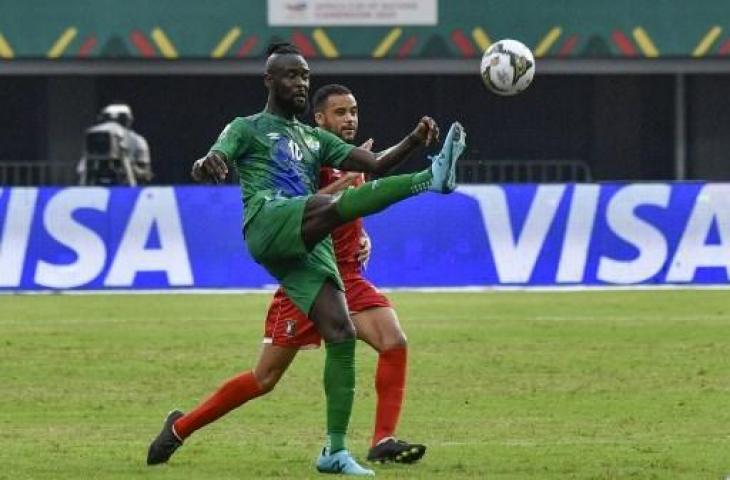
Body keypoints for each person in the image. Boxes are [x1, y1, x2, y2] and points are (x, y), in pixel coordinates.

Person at [147, 42, 466, 476]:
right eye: (291, 75)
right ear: (269, 81)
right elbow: (219, 153)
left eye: (304, 76)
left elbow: (372, 162)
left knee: (339, 332)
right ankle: (431, 178)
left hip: (309, 248)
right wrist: (209, 163)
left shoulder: (315, 139)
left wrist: (412, 139)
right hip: (268, 220)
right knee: (333, 210)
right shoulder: (248, 127)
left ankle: (333, 450)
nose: (299, 83)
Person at [264, 83, 426, 464]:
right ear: (319, 118)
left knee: (394, 341)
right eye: (341, 112)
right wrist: (348, 183)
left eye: (353, 111)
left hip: (347, 278)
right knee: (263, 380)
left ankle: (383, 440)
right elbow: (299, 209)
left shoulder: (352, 160)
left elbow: (349, 211)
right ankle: (181, 427)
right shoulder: (307, 157)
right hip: (310, 279)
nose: (350, 118)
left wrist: (363, 234)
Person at [78, 103, 153, 186]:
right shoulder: (93, 138)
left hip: (124, 186)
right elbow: (82, 170)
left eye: (119, 121)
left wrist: (128, 166)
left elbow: (146, 174)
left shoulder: (138, 141)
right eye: (108, 121)